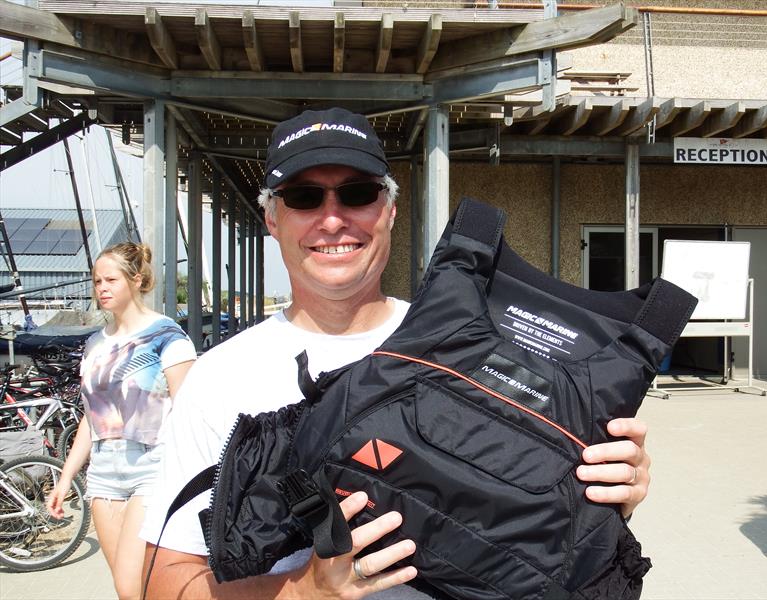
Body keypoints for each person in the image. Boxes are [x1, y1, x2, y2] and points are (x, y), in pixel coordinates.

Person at [141, 107, 652, 599]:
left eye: (357, 194)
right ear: (272, 218)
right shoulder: (217, 379)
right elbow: (160, 586)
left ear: (388, 209)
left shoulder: (471, 340)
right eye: (303, 197)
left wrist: (609, 497)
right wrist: (306, 592)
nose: (333, 219)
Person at [47, 242, 196, 600]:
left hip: (153, 464)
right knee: (127, 588)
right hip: (103, 471)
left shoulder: (167, 337)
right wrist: (65, 478)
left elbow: (191, 410)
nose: (101, 288)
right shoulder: (95, 344)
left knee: (133, 587)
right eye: (97, 281)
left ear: (137, 279)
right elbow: (91, 416)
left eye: (110, 279)